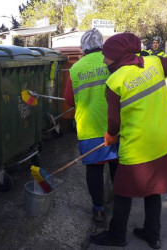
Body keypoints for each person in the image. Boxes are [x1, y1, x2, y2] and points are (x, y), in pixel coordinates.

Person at [89, 32, 167, 249]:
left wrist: (110, 135)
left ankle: (117, 235)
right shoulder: (154, 62)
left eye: (107, 56)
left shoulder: (115, 81)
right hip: (166, 140)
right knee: (153, 189)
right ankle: (152, 234)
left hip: (139, 145)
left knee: (123, 191)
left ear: (117, 55)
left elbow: (114, 122)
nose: (104, 60)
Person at [63, 28, 119, 222]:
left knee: (94, 169)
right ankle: (120, 205)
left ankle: (99, 209)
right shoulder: (112, 62)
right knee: (116, 164)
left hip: (89, 127)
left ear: (83, 47)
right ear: (101, 45)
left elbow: (69, 100)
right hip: (115, 125)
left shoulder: (76, 68)